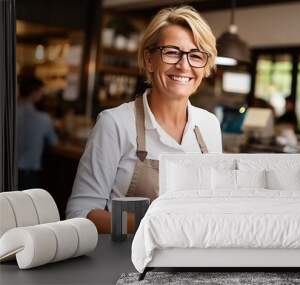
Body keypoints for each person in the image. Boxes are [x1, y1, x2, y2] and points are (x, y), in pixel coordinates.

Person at [66, 6, 222, 233]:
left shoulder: (209, 126)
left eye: (196, 55)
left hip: (189, 262)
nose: (184, 65)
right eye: (171, 52)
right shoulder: (115, 123)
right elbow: (80, 213)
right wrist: (151, 226)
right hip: (123, 263)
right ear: (149, 60)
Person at [17, 75, 58, 189]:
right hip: (28, 174)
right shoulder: (43, 118)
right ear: (35, 93)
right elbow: (54, 142)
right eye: (41, 91)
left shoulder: (8, 114)